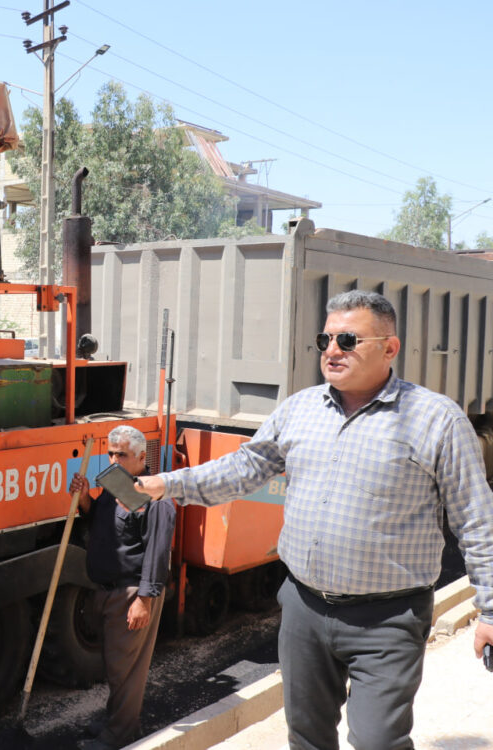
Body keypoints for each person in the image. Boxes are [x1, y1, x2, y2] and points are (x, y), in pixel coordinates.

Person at [134, 290, 493, 750]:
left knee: (379, 741)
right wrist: (169, 484)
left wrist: (489, 608)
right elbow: (245, 467)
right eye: (325, 338)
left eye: (348, 339)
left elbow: (476, 519)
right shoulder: (300, 408)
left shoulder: (435, 419)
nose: (332, 350)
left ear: (390, 347)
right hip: (304, 609)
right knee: (306, 737)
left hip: (388, 619)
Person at [68, 424, 175, 750]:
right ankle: (115, 720)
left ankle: (119, 735)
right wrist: (85, 499)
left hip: (130, 594)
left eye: (122, 455)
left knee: (126, 672)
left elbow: (157, 553)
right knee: (115, 667)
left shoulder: (155, 497)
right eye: (111, 452)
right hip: (106, 590)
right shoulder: (116, 482)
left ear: (142, 457)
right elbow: (101, 524)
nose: (114, 459)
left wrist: (143, 600)